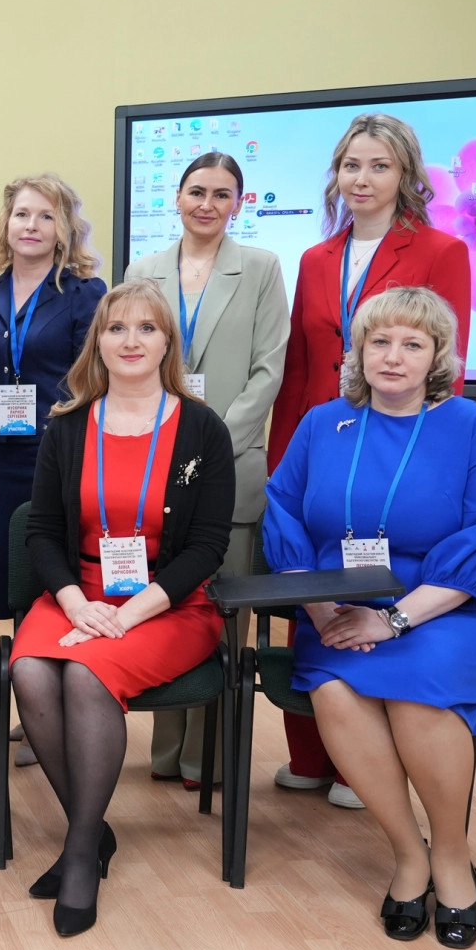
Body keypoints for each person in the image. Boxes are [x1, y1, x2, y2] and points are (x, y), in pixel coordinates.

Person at [264, 286, 476, 949]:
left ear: (437, 355)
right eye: (380, 341)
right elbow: (283, 513)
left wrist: (394, 621)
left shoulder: (474, 427)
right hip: (338, 608)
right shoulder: (323, 423)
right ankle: (409, 854)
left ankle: (451, 855)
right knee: (335, 689)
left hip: (447, 611)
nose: (394, 356)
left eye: (412, 343)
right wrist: (321, 609)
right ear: (359, 350)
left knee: (417, 694)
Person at [10, 280, 235, 935]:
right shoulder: (68, 425)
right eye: (116, 328)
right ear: (99, 342)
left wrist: (127, 615)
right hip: (79, 594)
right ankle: (92, 829)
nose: (130, 340)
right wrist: (77, 603)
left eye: (146, 328)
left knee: (85, 675)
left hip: (170, 604)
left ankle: (80, 854)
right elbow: (41, 532)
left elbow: (208, 546)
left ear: (168, 343)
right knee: (29, 671)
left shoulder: (203, 429)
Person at [267, 114, 472, 809]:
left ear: (406, 175)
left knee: (381, 586)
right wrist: (283, 461)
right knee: (315, 580)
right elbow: (301, 368)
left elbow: (446, 367)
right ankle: (311, 755)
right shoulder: (315, 259)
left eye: (379, 165)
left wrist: (429, 454)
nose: (363, 178)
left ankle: (365, 769)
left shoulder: (442, 250)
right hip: (322, 444)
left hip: (397, 442)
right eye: (351, 165)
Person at [124, 153, 288, 789]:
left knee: (222, 618)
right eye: (197, 191)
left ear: (238, 205)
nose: (207, 204)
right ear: (177, 197)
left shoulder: (261, 269)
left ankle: (207, 758)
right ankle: (167, 751)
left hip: (232, 465)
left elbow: (268, 370)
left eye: (222, 194)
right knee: (167, 608)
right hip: (155, 464)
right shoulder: (143, 271)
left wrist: (210, 445)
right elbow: (131, 360)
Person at [0, 173, 106, 627]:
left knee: (52, 578)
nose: (31, 225)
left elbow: (89, 382)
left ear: (64, 229)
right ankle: (15, 661)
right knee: (5, 579)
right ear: (6, 224)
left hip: (56, 455)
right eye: (22, 214)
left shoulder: (85, 294)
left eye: (46, 216)